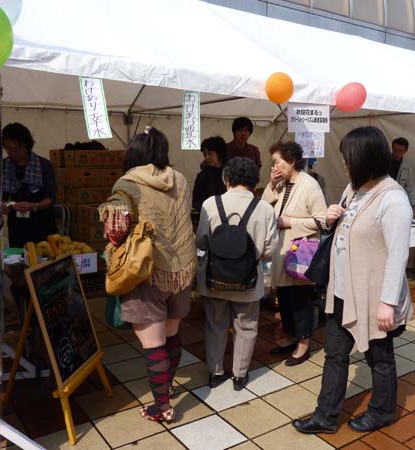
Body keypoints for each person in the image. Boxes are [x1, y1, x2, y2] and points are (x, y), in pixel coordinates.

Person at [293, 126, 413, 435]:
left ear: (364, 158)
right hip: (342, 291)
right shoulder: (353, 189)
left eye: (347, 157)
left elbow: (398, 256)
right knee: (335, 355)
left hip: (374, 297)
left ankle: (382, 411)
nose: (344, 163)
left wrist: (388, 303)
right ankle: (326, 414)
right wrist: (333, 215)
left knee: (379, 359)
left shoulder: (393, 199)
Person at [99, 127, 196, 423]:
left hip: (148, 272)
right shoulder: (179, 178)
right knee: (171, 335)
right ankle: (166, 387)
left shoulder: (127, 183)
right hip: (181, 270)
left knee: (153, 345)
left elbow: (115, 230)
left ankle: (162, 406)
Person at [196, 157, 278, 391]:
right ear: (254, 181)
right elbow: (271, 249)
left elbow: (201, 239)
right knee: (246, 326)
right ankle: (240, 375)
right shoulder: (264, 208)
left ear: (227, 179)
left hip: (214, 279)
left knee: (215, 324)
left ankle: (216, 371)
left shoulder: (210, 204)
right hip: (248, 281)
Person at [262, 142, 327, 365]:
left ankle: (303, 344)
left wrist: (291, 222)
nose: (274, 167)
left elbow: (322, 221)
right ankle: (291, 336)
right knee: (285, 299)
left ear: (291, 161)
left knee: (301, 300)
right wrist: (271, 184)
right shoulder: (280, 184)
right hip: (281, 252)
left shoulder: (310, 185)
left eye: (277, 162)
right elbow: (263, 208)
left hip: (300, 253)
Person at [1, 123, 57, 248]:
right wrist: (2, 205)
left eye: (17, 148)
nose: (13, 153)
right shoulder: (3, 166)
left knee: (43, 259)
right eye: (8, 148)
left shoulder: (44, 166)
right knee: (18, 259)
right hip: (17, 226)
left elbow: (50, 198)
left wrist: (34, 206)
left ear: (27, 145)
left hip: (42, 224)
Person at [192, 136, 227, 212]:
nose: (207, 157)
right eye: (205, 154)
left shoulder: (230, 174)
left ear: (220, 153)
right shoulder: (202, 176)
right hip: (208, 216)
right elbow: (195, 202)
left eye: (210, 154)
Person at [390, 137, 415, 213]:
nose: (397, 153)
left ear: (405, 151)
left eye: (400, 151)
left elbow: (408, 186)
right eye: (395, 149)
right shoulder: (383, 161)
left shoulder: (407, 166)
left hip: (396, 199)